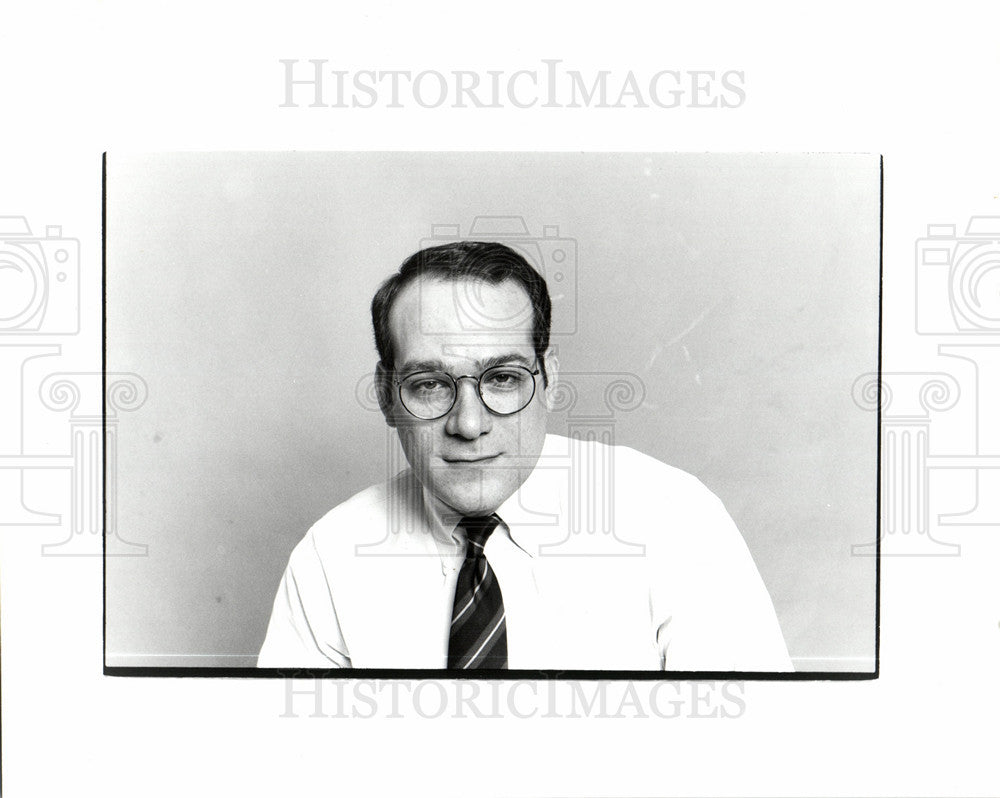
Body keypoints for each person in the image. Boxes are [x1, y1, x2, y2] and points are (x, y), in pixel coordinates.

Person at [258, 241, 791, 671]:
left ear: (549, 380)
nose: (469, 424)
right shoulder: (329, 557)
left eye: (503, 378)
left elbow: (747, 758)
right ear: (385, 394)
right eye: (429, 384)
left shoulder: (673, 518)